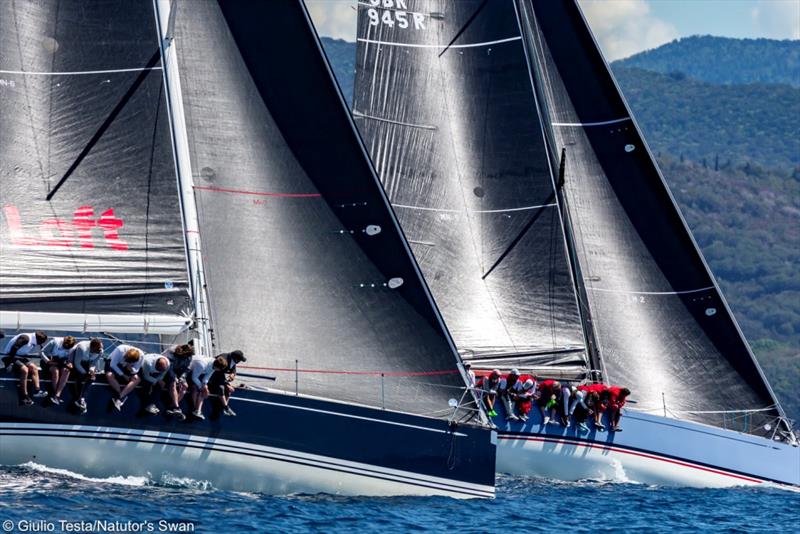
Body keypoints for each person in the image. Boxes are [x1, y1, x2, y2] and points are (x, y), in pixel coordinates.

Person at [2, 331, 49, 405]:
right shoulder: (26, 338)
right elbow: (14, 348)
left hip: (21, 356)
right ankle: (24, 395)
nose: (39, 344)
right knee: (25, 370)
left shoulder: (34, 340)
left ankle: (37, 390)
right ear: (38, 339)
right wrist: (9, 363)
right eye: (40, 342)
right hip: (10, 356)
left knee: (34, 368)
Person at [69, 338, 104, 413]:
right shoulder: (82, 348)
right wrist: (85, 373)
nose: (100, 350)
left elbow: (93, 363)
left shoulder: (100, 351)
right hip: (74, 360)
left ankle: (81, 399)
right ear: (93, 347)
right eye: (98, 349)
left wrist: (91, 370)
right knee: (80, 376)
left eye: (101, 348)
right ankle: (79, 398)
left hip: (86, 363)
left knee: (92, 378)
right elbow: (77, 363)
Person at [105, 344, 144, 411]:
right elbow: (113, 364)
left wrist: (131, 369)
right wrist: (123, 375)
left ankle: (120, 397)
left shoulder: (141, 355)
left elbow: (136, 370)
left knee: (137, 379)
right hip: (114, 363)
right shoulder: (120, 350)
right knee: (109, 375)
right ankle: (120, 395)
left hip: (127, 367)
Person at [40, 335, 77, 405]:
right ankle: (54, 393)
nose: (66, 349)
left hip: (61, 362)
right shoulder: (54, 342)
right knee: (55, 371)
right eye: (65, 347)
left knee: (66, 371)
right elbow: (42, 352)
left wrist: (70, 363)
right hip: (48, 361)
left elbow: (70, 360)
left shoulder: (73, 348)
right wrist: (48, 361)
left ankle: (57, 395)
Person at [187, 355, 226, 420]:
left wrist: (205, 386)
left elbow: (206, 378)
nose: (220, 371)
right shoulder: (202, 365)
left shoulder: (214, 365)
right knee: (195, 388)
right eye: (220, 369)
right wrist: (201, 387)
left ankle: (198, 411)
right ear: (217, 366)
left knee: (204, 390)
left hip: (198, 372)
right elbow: (194, 377)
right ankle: (194, 409)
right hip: (188, 370)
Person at [208, 350, 246, 417]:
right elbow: (218, 373)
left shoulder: (233, 360)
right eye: (239, 360)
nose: (239, 362)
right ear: (235, 358)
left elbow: (234, 368)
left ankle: (224, 408)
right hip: (211, 375)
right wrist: (226, 385)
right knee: (221, 388)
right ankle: (226, 407)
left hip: (219, 376)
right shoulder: (224, 359)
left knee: (229, 390)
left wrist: (233, 374)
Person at [162, 343, 194, 420]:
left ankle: (172, 406)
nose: (188, 357)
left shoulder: (189, 356)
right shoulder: (171, 353)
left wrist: (182, 378)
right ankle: (176, 407)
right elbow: (169, 368)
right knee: (173, 383)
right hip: (166, 369)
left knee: (185, 386)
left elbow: (187, 369)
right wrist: (175, 378)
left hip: (178, 372)